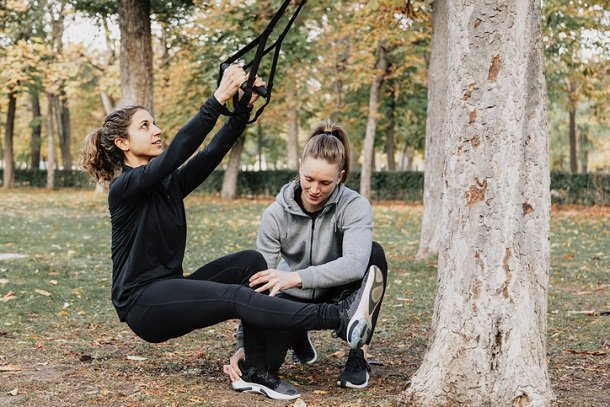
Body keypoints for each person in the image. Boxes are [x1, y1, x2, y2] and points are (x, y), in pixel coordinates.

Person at [80, 65, 385, 400]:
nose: (157, 130)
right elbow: (178, 152)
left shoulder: (167, 185)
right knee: (236, 298)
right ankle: (338, 318)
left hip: (169, 287)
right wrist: (218, 98)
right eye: (145, 125)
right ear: (122, 143)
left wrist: (242, 110)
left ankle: (256, 370)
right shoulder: (125, 187)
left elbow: (209, 155)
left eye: (154, 122)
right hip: (141, 303)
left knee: (250, 264)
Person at [223, 121, 388, 398]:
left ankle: (358, 352)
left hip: (339, 293)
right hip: (291, 300)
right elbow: (255, 284)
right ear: (300, 166)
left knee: (374, 254)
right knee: (264, 364)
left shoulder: (354, 206)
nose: (314, 189)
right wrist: (244, 346)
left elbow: (356, 264)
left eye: (325, 182)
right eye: (308, 178)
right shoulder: (275, 215)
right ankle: (296, 331)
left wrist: (297, 276)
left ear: (341, 176)